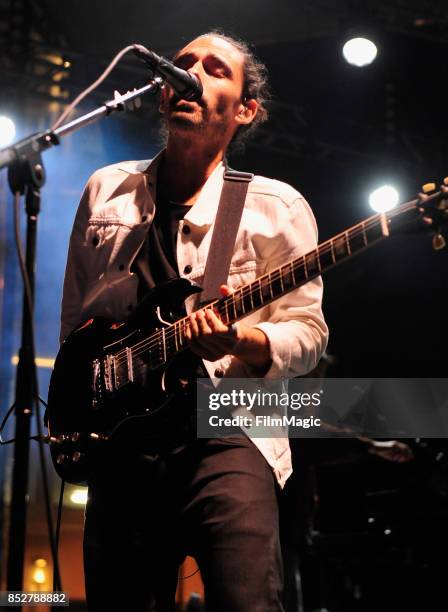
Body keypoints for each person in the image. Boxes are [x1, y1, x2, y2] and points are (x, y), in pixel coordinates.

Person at [60, 31, 328, 612]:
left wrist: (243, 338)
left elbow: (309, 336)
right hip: (122, 438)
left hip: (230, 426)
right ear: (160, 92)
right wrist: (77, 407)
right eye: (181, 66)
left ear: (245, 109)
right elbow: (76, 322)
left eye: (215, 69)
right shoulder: (106, 189)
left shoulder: (276, 207)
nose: (191, 74)